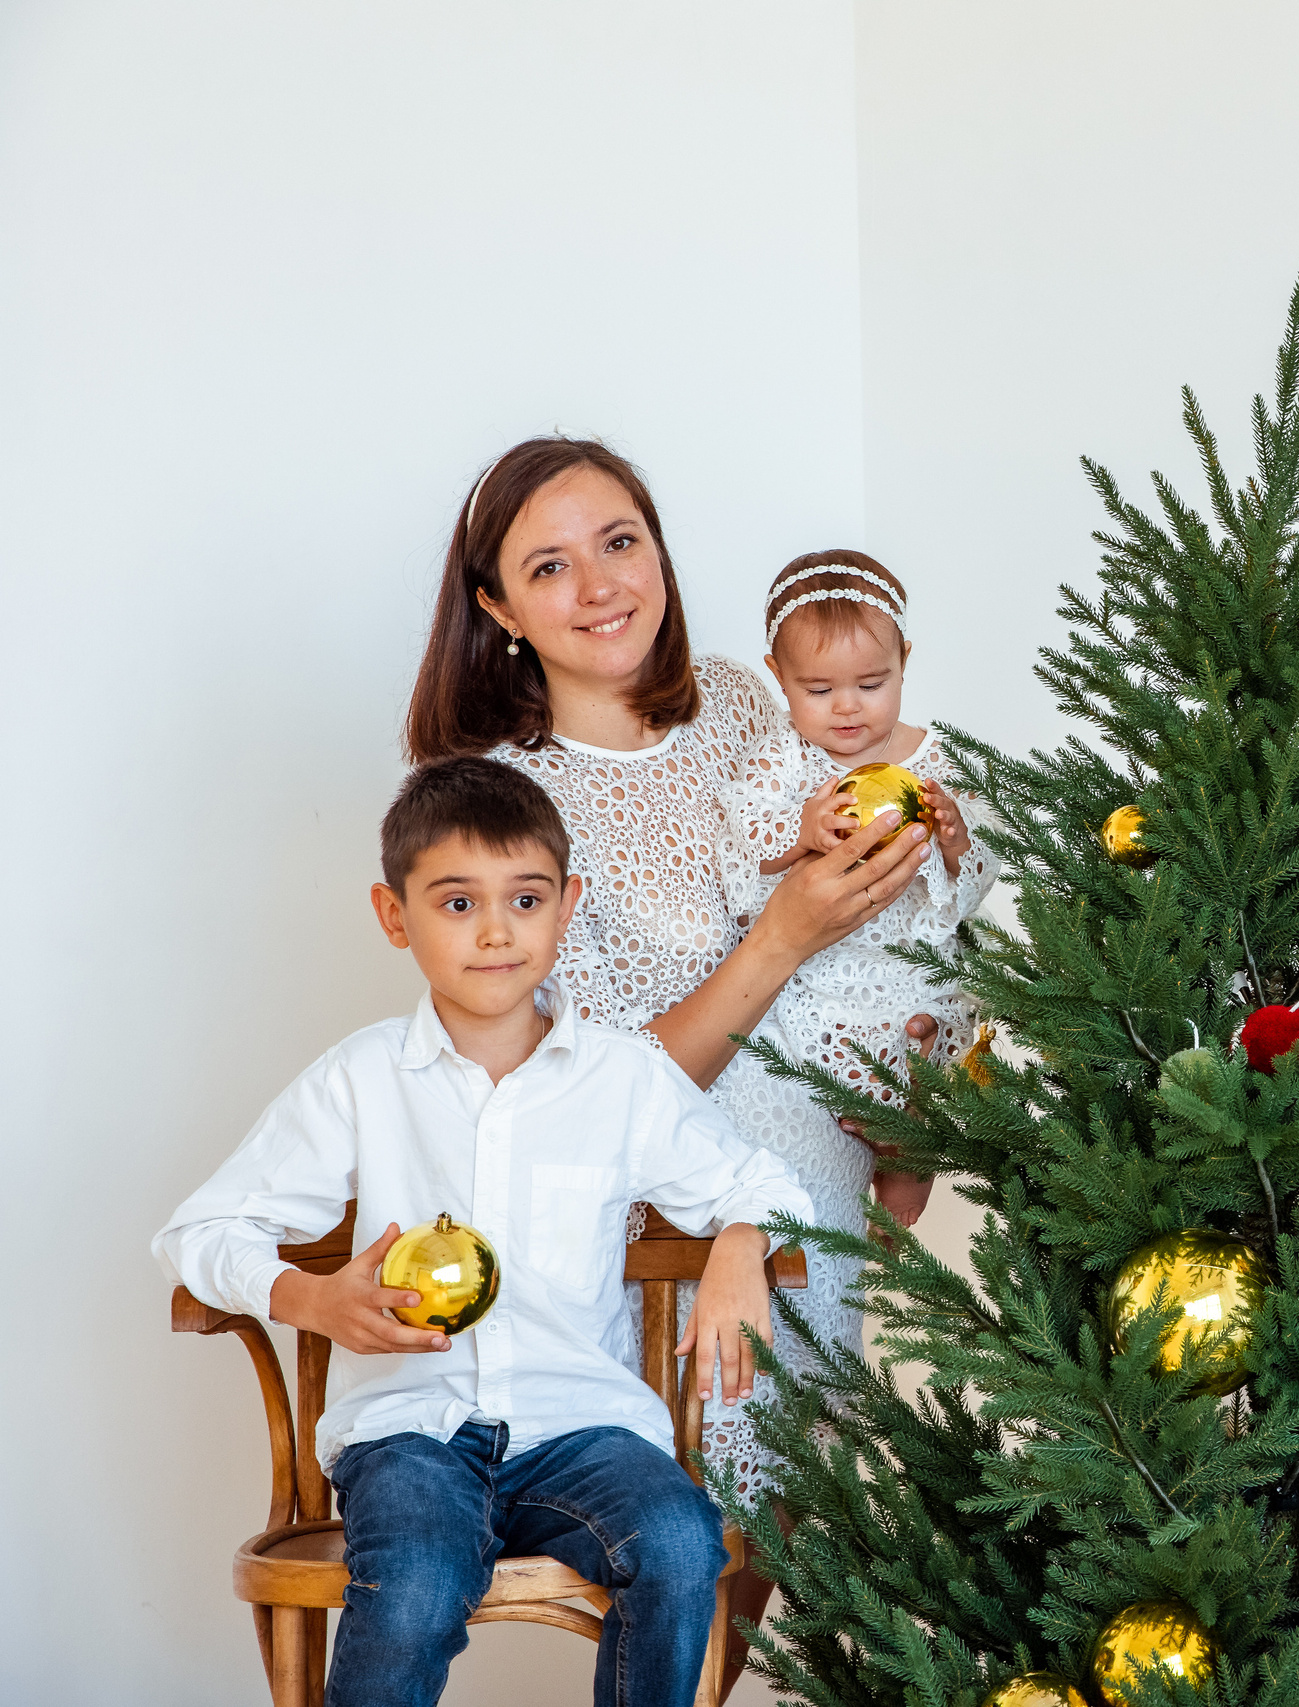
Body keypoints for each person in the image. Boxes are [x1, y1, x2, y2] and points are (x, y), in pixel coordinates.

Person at [404, 437, 938, 1686]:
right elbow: (568, 1090)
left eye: (620, 542)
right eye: (549, 565)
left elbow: (870, 907)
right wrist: (788, 932)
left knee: (780, 1551)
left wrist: (911, 1051)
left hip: (815, 1175)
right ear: (498, 609)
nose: (599, 586)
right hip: (659, 1224)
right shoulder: (493, 797)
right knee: (694, 1543)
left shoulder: (756, 702)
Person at [154, 757, 816, 1707]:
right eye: (457, 903)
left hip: (580, 1429)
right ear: (395, 916)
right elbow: (202, 1229)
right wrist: (314, 1298)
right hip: (410, 1435)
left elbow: (766, 1183)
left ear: (567, 904)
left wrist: (741, 1243)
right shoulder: (362, 1078)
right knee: (417, 1578)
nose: (498, 930)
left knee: (678, 1539)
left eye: (526, 898)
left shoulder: (621, 1079)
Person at [708, 548, 995, 1451]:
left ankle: (906, 1154)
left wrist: (953, 839)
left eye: (872, 682)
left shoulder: (937, 758)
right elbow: (738, 873)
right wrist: (795, 837)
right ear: (777, 682)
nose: (848, 709)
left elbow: (977, 883)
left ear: (905, 661)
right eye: (819, 688)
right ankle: (869, 1164)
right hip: (822, 987)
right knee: (802, 1086)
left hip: (910, 979)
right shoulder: (777, 766)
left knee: (942, 1029)